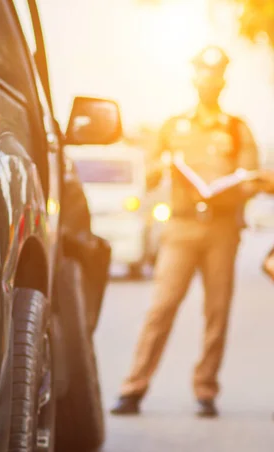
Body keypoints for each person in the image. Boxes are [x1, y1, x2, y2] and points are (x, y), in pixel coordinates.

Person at [111, 46, 260, 418]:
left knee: (217, 311)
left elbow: (251, 176)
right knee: (161, 307)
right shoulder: (173, 126)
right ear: (193, 77)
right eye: (203, 72)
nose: (209, 79)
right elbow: (146, 173)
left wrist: (237, 185)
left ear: (224, 79)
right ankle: (133, 388)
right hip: (180, 226)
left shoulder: (236, 128)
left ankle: (206, 390)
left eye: (216, 73)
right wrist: (159, 166)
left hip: (222, 230)